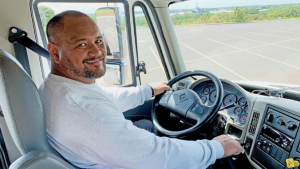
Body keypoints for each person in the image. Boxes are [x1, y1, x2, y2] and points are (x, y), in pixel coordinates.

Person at [39, 10, 242, 169]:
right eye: (82, 44)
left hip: (106, 156)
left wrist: (146, 92)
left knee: (145, 124)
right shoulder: (85, 113)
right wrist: (216, 148)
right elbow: (156, 157)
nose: (97, 51)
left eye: (99, 41)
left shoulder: (63, 87)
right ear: (55, 53)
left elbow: (106, 98)